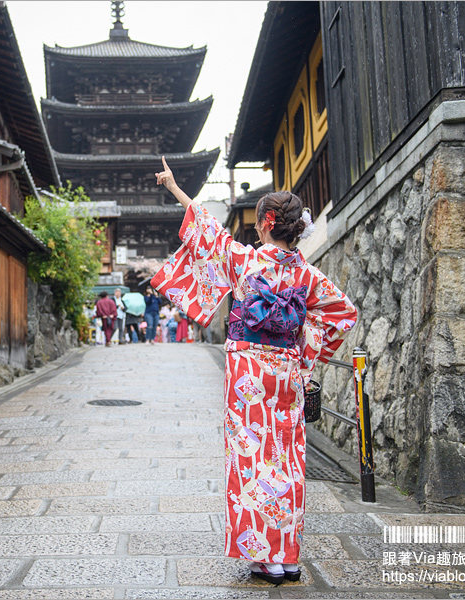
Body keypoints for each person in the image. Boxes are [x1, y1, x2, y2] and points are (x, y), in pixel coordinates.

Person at [152, 156, 358, 585]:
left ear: (265, 224)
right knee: (288, 458)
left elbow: (205, 229)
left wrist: (173, 187)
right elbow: (344, 313)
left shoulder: (245, 261)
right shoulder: (307, 274)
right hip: (286, 371)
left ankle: (264, 558)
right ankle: (288, 556)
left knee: (252, 458)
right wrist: (306, 353)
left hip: (248, 370)